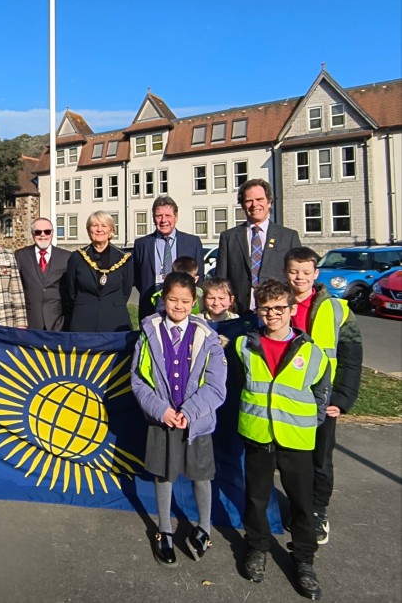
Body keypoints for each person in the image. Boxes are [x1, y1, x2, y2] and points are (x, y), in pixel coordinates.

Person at [235, 279, 330, 600]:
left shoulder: (312, 352)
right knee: (257, 497)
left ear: (291, 310)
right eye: (265, 309)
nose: (272, 314)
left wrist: (310, 423)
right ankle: (257, 547)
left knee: (302, 503)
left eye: (279, 308)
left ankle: (304, 559)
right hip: (258, 433)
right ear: (258, 311)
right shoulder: (244, 346)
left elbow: (321, 393)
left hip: (296, 438)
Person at [131, 272, 226, 567]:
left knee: (201, 475)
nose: (179, 306)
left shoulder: (207, 337)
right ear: (164, 299)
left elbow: (216, 386)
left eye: (185, 301)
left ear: (194, 302)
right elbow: (138, 380)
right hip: (163, 419)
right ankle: (164, 530)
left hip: (196, 421)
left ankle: (204, 528)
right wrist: (160, 410)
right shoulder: (149, 333)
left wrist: (190, 411)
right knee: (164, 475)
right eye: (173, 299)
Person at [284, 247, 362, 546]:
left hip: (323, 398)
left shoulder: (337, 309)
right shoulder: (278, 304)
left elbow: (351, 357)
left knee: (320, 459)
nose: (299, 278)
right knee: (292, 459)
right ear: (285, 273)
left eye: (306, 272)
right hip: (288, 397)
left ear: (315, 274)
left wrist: (342, 398)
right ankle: (297, 505)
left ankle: (317, 511)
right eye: (294, 271)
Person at [216, 179, 301, 316]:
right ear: (242, 205)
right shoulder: (228, 237)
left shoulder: (288, 237)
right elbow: (221, 279)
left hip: (275, 312)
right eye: (249, 201)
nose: (254, 205)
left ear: (269, 202)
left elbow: (295, 276)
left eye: (259, 199)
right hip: (239, 312)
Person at [133, 196, 205, 322]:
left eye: (168, 215)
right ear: (153, 218)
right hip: (151, 309)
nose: (163, 220)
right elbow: (138, 279)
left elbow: (199, 277)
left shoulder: (192, 242)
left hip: (182, 309)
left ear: (176, 217)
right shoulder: (141, 244)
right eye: (159, 216)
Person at [66, 211, 133, 333]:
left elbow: (126, 290)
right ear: (89, 230)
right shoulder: (77, 257)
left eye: (104, 225)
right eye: (94, 225)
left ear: (111, 230)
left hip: (115, 319)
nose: (99, 229)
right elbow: (71, 291)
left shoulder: (124, 258)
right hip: (83, 320)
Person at [14, 217, 71, 331]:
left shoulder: (67, 257)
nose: (43, 235)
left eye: (47, 231)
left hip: (58, 323)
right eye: (38, 232)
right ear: (32, 234)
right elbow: (15, 288)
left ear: (52, 233)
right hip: (30, 322)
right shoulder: (20, 256)